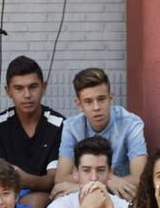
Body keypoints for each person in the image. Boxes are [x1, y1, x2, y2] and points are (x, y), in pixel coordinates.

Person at [54, 68, 148, 200]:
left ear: (111, 98)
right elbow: (61, 178)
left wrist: (85, 185)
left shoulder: (131, 124)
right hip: (88, 195)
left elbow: (141, 178)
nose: (96, 107)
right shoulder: (71, 127)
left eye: (101, 99)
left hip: (122, 197)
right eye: (88, 102)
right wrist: (107, 181)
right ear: (79, 104)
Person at [0, 55, 65, 208]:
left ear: (44, 87)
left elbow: (54, 180)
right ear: (8, 91)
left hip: (49, 198)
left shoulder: (59, 125)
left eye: (33, 87)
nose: (27, 94)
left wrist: (25, 180)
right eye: (19, 88)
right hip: (7, 197)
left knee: (33, 203)